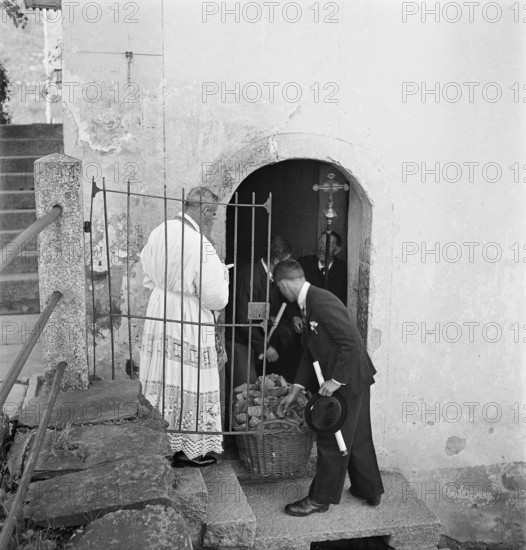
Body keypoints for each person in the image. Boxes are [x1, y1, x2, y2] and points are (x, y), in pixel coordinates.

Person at [275, 259, 384, 516]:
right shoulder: (309, 303)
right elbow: (309, 352)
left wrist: (336, 380)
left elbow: (351, 341)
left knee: (330, 438)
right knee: (357, 436)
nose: (280, 293)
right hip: (354, 377)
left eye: (279, 288)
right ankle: (369, 489)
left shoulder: (320, 300)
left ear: (285, 283)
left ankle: (319, 499)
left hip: (345, 379)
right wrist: (296, 390)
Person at [139, 187, 229, 467]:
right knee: (190, 377)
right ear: (203, 211)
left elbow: (146, 272)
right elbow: (216, 297)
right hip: (188, 314)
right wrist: (223, 274)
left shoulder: (160, 231)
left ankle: (161, 440)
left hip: (160, 307)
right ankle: (190, 448)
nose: (212, 221)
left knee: (165, 374)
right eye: (212, 215)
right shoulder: (200, 244)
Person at [226, 235, 300, 386]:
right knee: (245, 389)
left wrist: (270, 316)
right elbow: (243, 319)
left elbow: (254, 308)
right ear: (277, 262)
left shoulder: (267, 274)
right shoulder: (250, 277)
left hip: (253, 337)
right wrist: (264, 347)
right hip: (239, 340)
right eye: (287, 261)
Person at [299, 231, 347, 304]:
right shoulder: (303, 264)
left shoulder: (343, 270)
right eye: (320, 243)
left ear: (337, 250)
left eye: (328, 244)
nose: (322, 248)